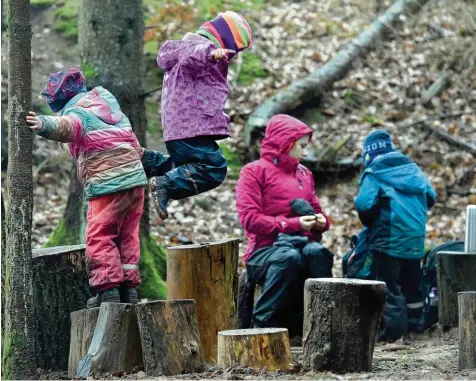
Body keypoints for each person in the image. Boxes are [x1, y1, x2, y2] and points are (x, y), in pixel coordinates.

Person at [26, 68, 148, 307]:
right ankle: (129, 288)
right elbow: (134, 143)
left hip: (108, 183)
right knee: (128, 235)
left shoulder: (78, 112)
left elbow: (67, 127)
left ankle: (109, 290)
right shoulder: (111, 111)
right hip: (135, 182)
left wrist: (42, 124)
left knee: (100, 235)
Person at [143, 11, 252, 221]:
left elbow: (200, 96)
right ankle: (166, 185)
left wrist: (219, 119)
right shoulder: (198, 49)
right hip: (190, 128)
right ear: (223, 40)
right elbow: (192, 58)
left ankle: (150, 162)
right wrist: (210, 53)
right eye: (236, 50)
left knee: (188, 167)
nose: (235, 56)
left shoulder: (185, 53)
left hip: (181, 127)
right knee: (214, 168)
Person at [235, 114, 333, 337]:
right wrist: (292, 223)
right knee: (288, 258)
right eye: (301, 146)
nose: (305, 153)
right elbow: (250, 219)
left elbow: (320, 215)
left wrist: (320, 222)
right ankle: (262, 330)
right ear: (286, 143)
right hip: (264, 251)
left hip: (301, 243)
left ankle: (323, 328)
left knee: (318, 253)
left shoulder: (304, 174)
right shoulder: (253, 171)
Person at [355, 129, 436, 342]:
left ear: (368, 154)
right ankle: (416, 328)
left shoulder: (373, 173)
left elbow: (364, 204)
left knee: (389, 286)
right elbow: (431, 196)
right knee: (412, 283)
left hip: (387, 239)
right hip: (414, 240)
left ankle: (392, 333)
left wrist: (371, 220)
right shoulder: (414, 171)